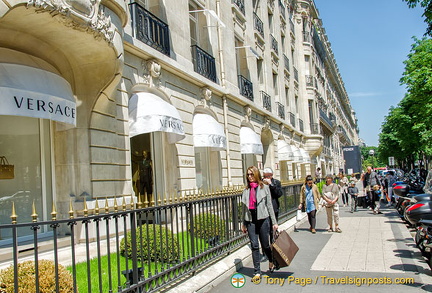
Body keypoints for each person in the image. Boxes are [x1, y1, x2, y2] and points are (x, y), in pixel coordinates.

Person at [241, 166, 278, 282]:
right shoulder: (246, 190)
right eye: (248, 175)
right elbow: (244, 209)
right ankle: (257, 271)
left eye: (252, 174)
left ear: (256, 175)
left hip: (263, 219)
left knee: (265, 245)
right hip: (251, 220)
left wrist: (274, 223)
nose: (250, 177)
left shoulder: (264, 188)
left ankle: (271, 259)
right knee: (254, 246)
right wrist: (243, 223)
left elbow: (269, 206)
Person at [262, 167, 283, 239]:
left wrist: (271, 185)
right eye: (265, 176)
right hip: (263, 209)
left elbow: (279, 194)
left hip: (273, 208)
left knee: (273, 227)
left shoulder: (276, 182)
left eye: (268, 176)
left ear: (271, 175)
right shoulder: (261, 183)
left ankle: (273, 241)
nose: (266, 178)